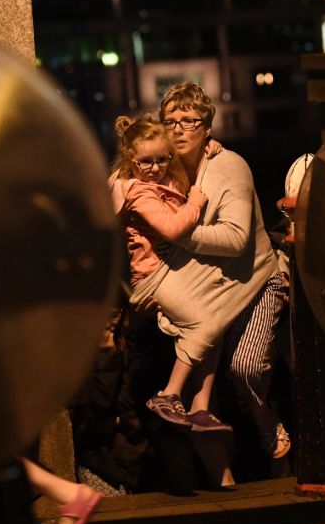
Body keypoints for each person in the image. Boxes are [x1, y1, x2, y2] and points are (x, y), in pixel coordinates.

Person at [155, 83, 291, 463]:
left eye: (189, 121)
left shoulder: (229, 166)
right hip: (210, 288)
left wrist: (176, 234)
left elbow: (234, 239)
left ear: (207, 128)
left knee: (244, 367)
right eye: (171, 121)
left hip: (255, 282)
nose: (179, 129)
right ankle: (218, 479)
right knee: (199, 387)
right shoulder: (166, 171)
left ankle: (266, 421)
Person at [110, 114, 233, 433]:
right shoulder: (137, 191)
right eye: (145, 162)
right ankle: (174, 396)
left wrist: (207, 148)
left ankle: (198, 406)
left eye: (162, 159)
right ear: (131, 160)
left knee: (215, 320)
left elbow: (180, 165)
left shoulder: (160, 179)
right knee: (208, 321)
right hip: (155, 281)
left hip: (174, 276)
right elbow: (173, 228)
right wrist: (195, 202)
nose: (155, 168)